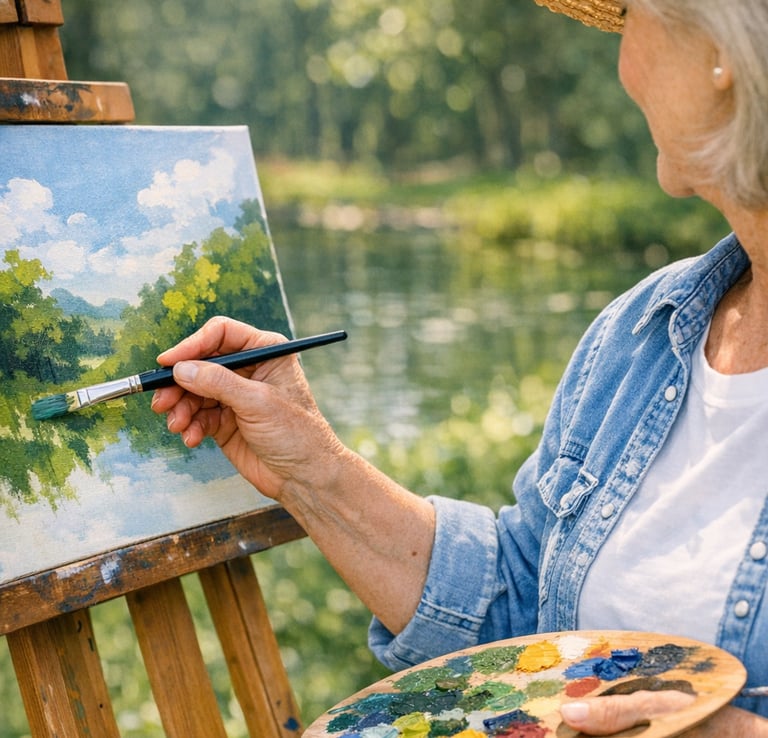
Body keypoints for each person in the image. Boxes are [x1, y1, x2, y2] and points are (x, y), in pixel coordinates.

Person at [151, 0, 768, 734]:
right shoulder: (642, 332)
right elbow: (523, 620)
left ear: (720, 53)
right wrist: (308, 468)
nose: (623, 63)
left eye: (630, 14)